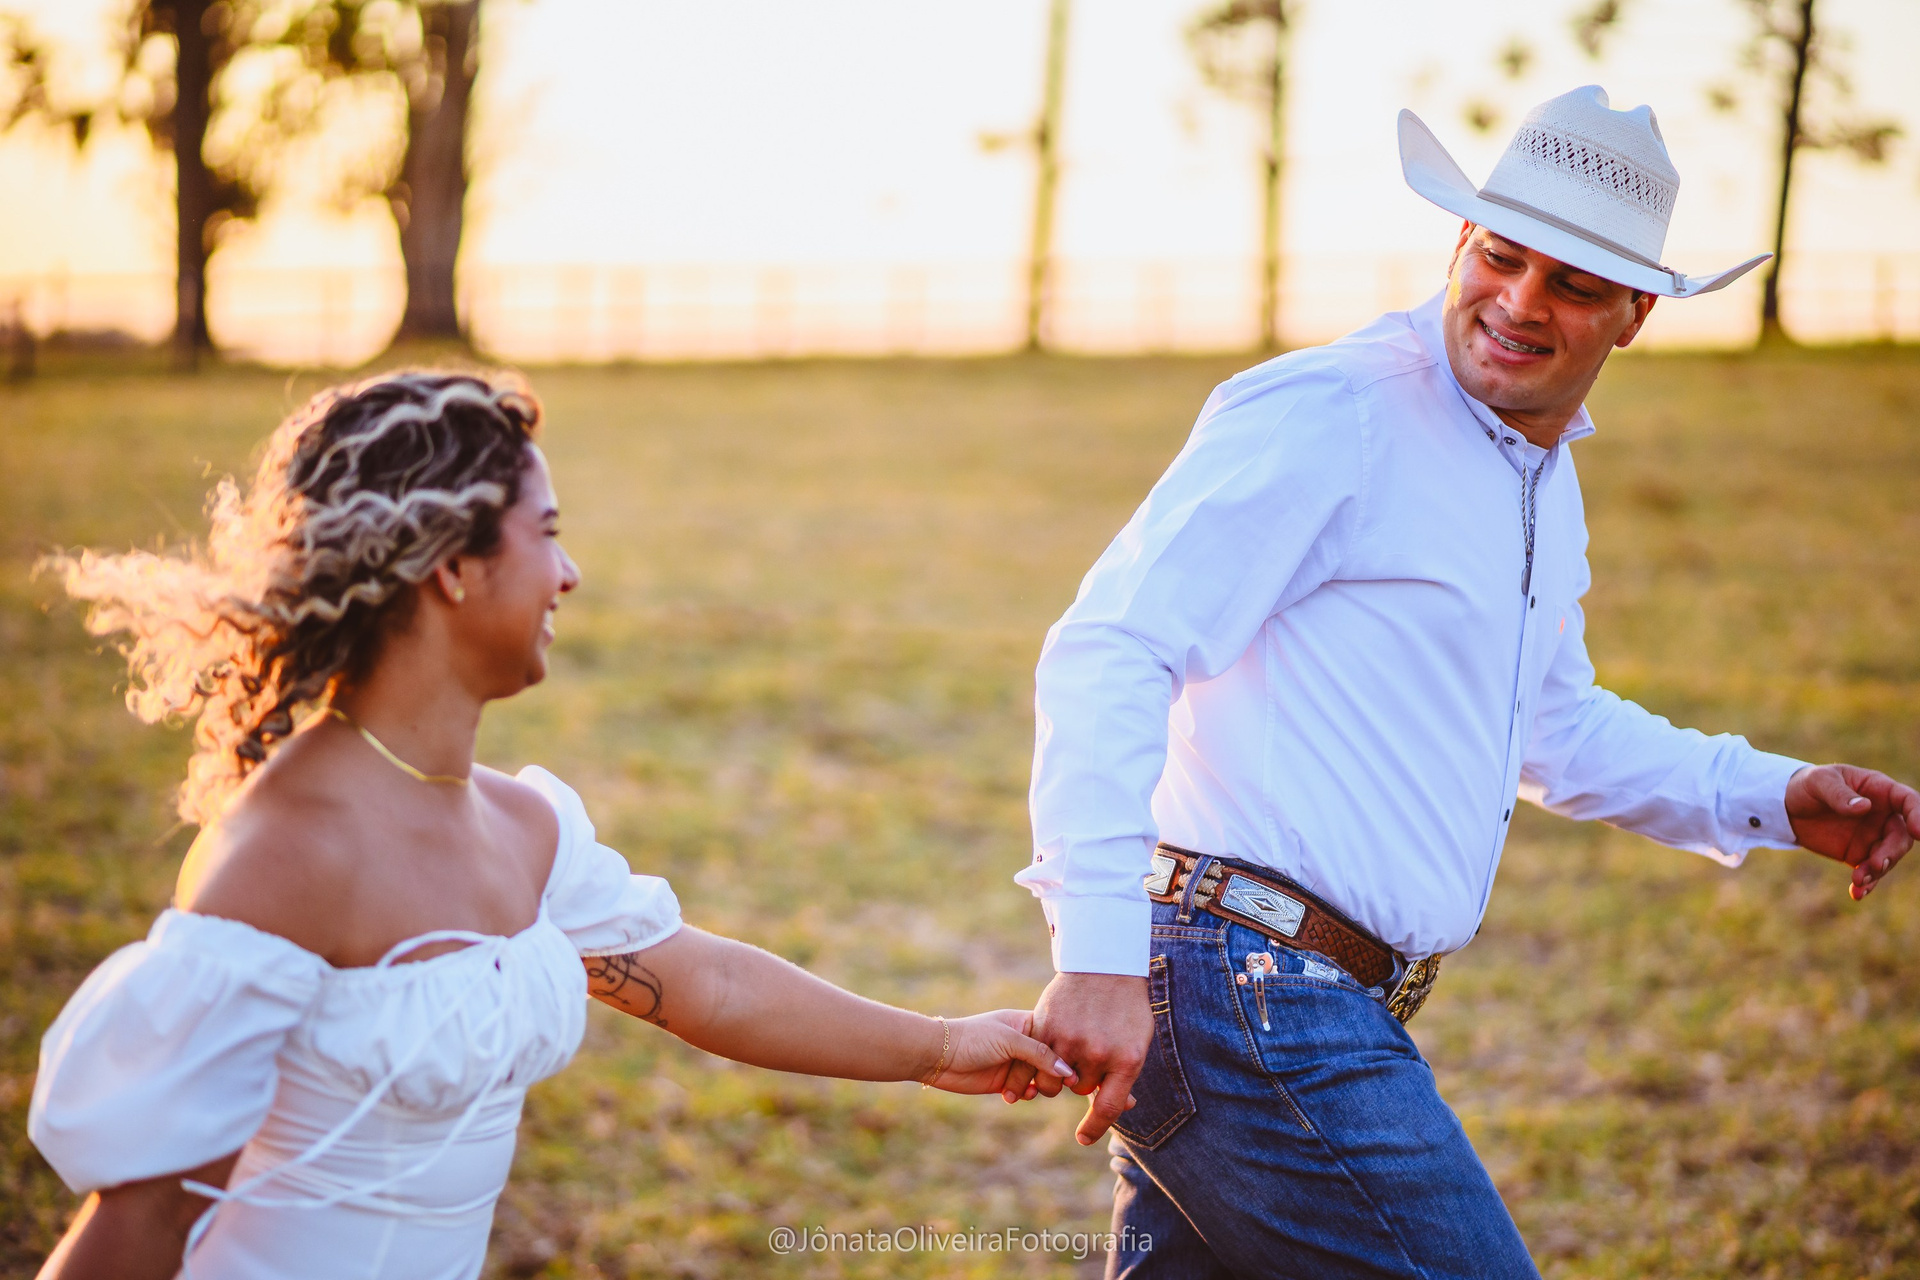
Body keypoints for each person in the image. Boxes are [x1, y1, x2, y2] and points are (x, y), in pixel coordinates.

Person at [999, 85, 1920, 1279]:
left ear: (1635, 313)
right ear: (1458, 244)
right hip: (1251, 989)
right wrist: (1097, 946)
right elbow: (1113, 645)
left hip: (1286, 992)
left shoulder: (1537, 475)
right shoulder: (1336, 412)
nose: (1521, 302)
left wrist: (1771, 795)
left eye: (1573, 283)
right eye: (1501, 255)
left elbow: (1549, 723)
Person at [26, 371, 1075, 1280]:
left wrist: (940, 1046)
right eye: (549, 535)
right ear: (453, 565)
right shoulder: (288, 852)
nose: (568, 574)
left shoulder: (522, 825)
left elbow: (707, 983)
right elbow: (144, 1218)